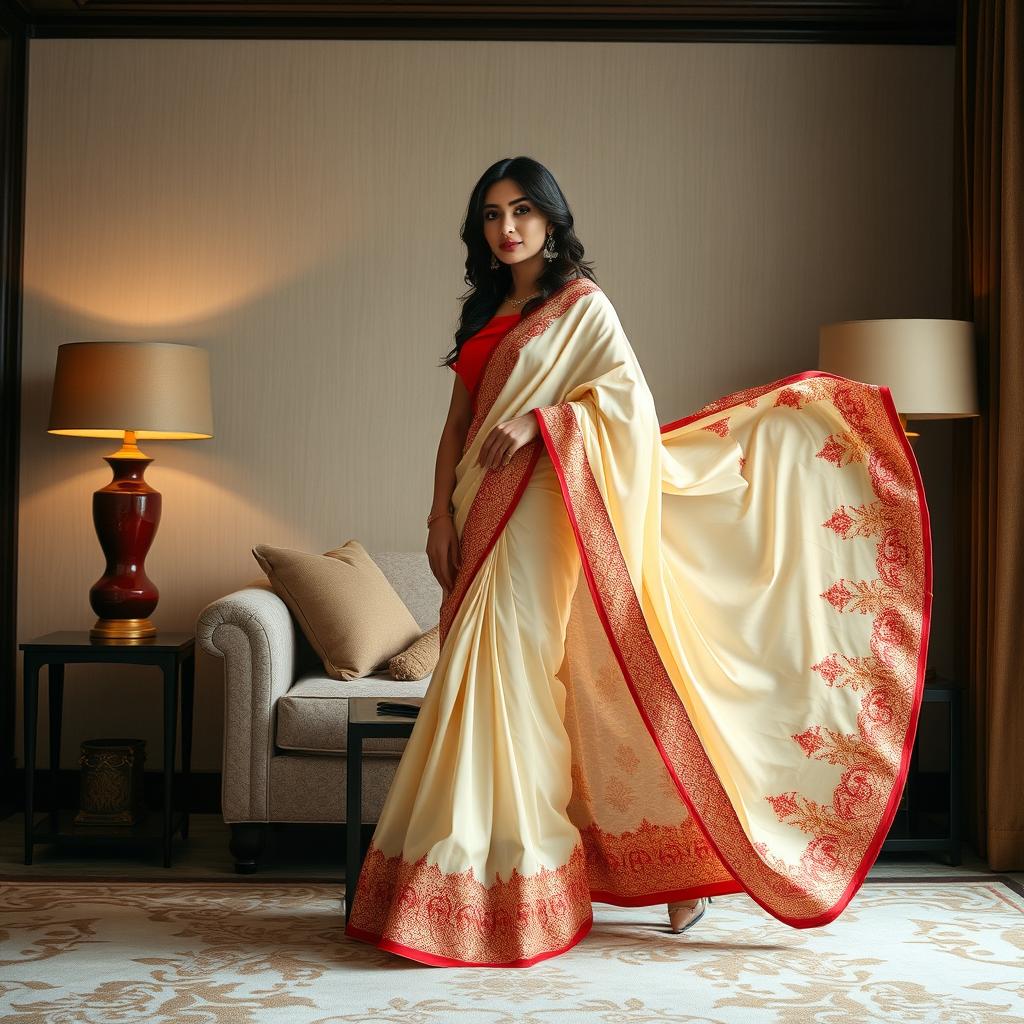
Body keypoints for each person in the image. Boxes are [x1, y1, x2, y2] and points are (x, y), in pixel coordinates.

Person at [344, 156, 932, 967]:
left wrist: (548, 422)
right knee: (494, 676)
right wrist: (434, 515)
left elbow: (627, 409)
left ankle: (505, 884)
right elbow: (458, 424)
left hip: (544, 503)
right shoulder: (485, 311)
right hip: (476, 506)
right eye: (490, 214)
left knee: (504, 670)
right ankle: (479, 876)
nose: (506, 227)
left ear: (552, 220)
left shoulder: (583, 308)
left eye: (521, 211)